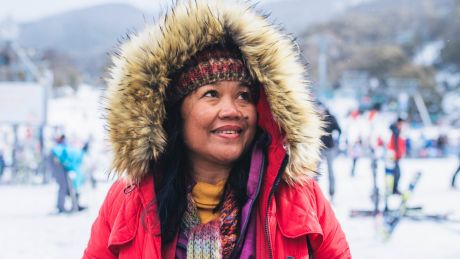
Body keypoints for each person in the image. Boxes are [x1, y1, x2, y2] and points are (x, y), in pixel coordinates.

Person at [83, 1, 350, 258]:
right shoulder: (128, 200)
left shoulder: (300, 198)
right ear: (173, 112)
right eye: (211, 94)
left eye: (244, 95)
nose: (232, 110)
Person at [319, 104, 342, 200]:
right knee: (316, 171)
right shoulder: (315, 118)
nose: (320, 111)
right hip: (319, 148)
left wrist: (337, 140)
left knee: (330, 171)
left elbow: (339, 130)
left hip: (329, 148)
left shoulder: (331, 119)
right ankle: (315, 194)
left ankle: (332, 193)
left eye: (321, 109)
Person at [387, 117, 406, 195]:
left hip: (395, 155)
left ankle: (393, 189)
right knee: (396, 173)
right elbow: (395, 144)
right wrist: (397, 154)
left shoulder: (397, 131)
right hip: (394, 156)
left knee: (395, 173)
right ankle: (393, 189)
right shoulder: (396, 131)